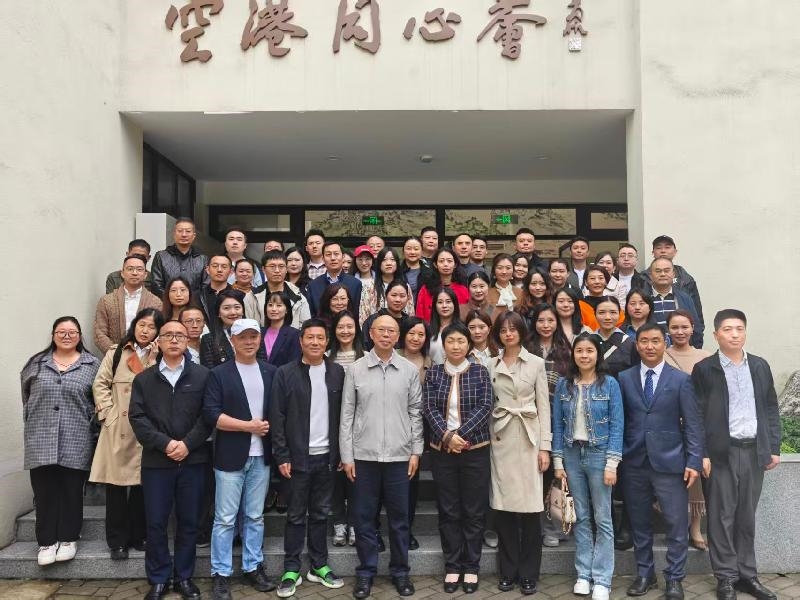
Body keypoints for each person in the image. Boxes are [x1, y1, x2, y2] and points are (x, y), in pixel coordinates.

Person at [692, 310, 782, 600]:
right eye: (727, 329)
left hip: (754, 451)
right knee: (721, 517)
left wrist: (774, 447)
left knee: (746, 516)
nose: (734, 334)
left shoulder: (759, 365)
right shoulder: (705, 369)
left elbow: (770, 407)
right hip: (721, 453)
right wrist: (702, 453)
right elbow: (696, 414)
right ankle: (726, 577)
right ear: (716, 334)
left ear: (745, 332)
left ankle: (747, 576)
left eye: (739, 328)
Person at [340, 315, 425, 599]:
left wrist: (416, 451)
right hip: (364, 457)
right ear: (372, 334)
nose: (386, 335)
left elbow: (415, 413)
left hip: (400, 457)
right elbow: (347, 415)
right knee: (364, 519)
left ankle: (400, 572)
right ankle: (366, 573)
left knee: (400, 520)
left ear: (398, 336)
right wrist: (347, 456)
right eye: (381, 330)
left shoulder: (409, 370)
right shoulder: (356, 369)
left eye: (392, 331)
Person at [618, 323, 703, 600]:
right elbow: (620, 421)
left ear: (664, 343)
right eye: (644, 341)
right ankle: (645, 574)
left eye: (655, 340)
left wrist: (693, 460)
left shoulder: (680, 380)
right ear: (637, 345)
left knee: (676, 524)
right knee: (639, 524)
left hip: (671, 462)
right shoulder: (624, 378)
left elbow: (693, 424)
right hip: (634, 461)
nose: (650, 346)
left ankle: (674, 578)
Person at [129, 320, 211, 600]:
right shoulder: (144, 379)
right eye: (168, 335)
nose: (174, 340)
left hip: (193, 460)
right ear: (159, 342)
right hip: (157, 463)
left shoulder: (202, 376)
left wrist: (187, 444)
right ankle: (159, 579)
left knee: (189, 522)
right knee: (156, 522)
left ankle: (184, 577)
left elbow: (207, 416)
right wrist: (165, 444)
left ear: (187, 341)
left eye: (180, 335)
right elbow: (137, 418)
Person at [270, 319, 346, 597]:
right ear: (301, 341)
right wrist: (282, 454)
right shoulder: (285, 373)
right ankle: (291, 568)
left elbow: (344, 415)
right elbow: (277, 416)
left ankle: (319, 565)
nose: (315, 342)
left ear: (327, 342)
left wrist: (341, 453)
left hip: (327, 458)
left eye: (320, 338)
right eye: (310, 337)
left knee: (320, 513)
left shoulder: (337, 372)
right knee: (295, 515)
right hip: (296, 459)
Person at [203, 319, 277, 599]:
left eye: (253, 337)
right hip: (230, 455)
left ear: (259, 340)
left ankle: (252, 566)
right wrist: (248, 427)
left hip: (262, 456)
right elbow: (212, 414)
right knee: (225, 518)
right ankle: (221, 573)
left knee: (255, 516)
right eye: (242, 337)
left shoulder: (271, 372)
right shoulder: (219, 374)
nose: (249, 342)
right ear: (232, 341)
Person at [21, 317, 101, 566]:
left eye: (72, 332)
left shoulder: (92, 365)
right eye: (61, 332)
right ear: (53, 335)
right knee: (44, 491)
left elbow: (98, 399)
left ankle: (68, 538)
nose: (67, 336)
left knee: (71, 490)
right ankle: (46, 541)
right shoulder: (36, 363)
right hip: (40, 436)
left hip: (77, 435)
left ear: (80, 335)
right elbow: (26, 397)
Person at [552, 333, 624, 600]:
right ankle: (583, 574)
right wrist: (558, 461)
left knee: (602, 518)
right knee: (580, 516)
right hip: (572, 455)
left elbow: (617, 425)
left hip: (599, 455)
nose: (584, 355)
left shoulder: (610, 384)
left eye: (589, 351)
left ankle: (602, 579)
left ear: (598, 354)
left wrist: (612, 463)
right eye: (579, 350)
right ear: (573, 354)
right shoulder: (564, 385)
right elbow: (557, 425)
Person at [422, 322, 493, 594]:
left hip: (474, 450)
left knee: (473, 510)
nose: (455, 346)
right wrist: (446, 437)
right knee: (449, 509)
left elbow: (485, 406)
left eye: (461, 341)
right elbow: (428, 407)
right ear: (443, 345)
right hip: (443, 452)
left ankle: (471, 566)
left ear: (469, 344)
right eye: (450, 341)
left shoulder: (480, 371)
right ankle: (452, 565)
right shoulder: (434, 373)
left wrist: (459, 435)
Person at [90, 308, 163, 561]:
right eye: (142, 325)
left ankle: (139, 535)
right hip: (118, 427)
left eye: (152, 327)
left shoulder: (161, 356)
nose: (145, 330)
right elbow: (100, 383)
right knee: (116, 489)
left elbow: (156, 386)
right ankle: (117, 541)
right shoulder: (117, 352)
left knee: (143, 487)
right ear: (134, 325)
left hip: (146, 430)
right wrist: (107, 414)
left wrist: (153, 358)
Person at [489, 311, 551, 595]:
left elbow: (544, 407)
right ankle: (508, 571)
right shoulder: (490, 364)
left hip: (529, 439)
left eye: (513, 329)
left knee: (530, 511)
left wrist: (545, 447)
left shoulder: (536, 363)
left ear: (521, 332)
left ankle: (529, 573)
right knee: (504, 510)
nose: (508, 334)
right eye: (503, 330)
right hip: (501, 439)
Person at [664, 310, 711, 550]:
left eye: (684, 327)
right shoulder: (661, 355)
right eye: (675, 327)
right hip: (669, 423)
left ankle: (695, 527)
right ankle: (676, 524)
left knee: (697, 475)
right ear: (668, 330)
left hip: (697, 422)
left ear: (693, 328)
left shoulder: (706, 357)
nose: (680, 332)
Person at [327, 311, 366, 548]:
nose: (345, 331)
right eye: (340, 327)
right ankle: (339, 523)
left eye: (350, 326)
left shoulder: (366, 357)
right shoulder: (326, 358)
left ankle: (354, 523)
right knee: (335, 477)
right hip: (331, 423)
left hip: (360, 425)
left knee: (356, 477)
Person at [94, 255, 162, 354]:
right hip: (113, 357)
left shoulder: (156, 302)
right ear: (122, 273)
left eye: (139, 269)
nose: (134, 273)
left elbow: (159, 333)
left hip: (146, 357)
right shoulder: (106, 301)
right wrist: (117, 354)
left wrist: (144, 354)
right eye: (130, 269)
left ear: (145, 275)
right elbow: (99, 333)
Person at [641, 236, 704, 329]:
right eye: (659, 248)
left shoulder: (686, 278)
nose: (663, 251)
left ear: (675, 252)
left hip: (680, 333)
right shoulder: (642, 279)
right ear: (653, 253)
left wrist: (698, 333)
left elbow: (696, 312)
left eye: (667, 247)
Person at [200, 289, 266, 368]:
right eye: (226, 308)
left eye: (237, 307)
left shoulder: (255, 334)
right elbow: (208, 370)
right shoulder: (208, 340)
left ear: (243, 311)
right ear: (219, 313)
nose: (233, 312)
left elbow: (263, 365)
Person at [648, 258, 704, 348]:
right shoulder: (644, 299)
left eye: (667, 270)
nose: (663, 274)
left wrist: (695, 350)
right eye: (658, 271)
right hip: (652, 350)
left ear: (673, 274)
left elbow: (696, 327)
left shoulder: (685, 298)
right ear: (650, 275)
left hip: (681, 352)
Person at [250, 250, 311, 329]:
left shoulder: (298, 296)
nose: (277, 270)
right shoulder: (252, 296)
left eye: (281, 266)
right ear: (263, 269)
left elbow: (306, 327)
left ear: (286, 269)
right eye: (272, 266)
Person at [150, 218, 209, 297]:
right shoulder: (161, 256)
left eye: (188, 231)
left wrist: (191, 300)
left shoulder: (203, 259)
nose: (184, 234)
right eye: (180, 231)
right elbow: (156, 285)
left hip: (195, 303)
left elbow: (206, 286)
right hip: (167, 302)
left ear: (194, 236)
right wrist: (172, 299)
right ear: (174, 234)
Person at [306, 241, 362, 318]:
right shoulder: (313, 285)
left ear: (342, 257)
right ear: (323, 259)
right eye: (328, 254)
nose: (332, 258)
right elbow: (312, 316)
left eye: (336, 254)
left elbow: (356, 314)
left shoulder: (355, 284)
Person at [360, 247, 415, 324]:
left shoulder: (405, 287)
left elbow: (410, 313)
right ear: (379, 263)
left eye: (392, 260)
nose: (389, 263)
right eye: (384, 260)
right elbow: (363, 315)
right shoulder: (369, 287)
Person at [415, 247, 469, 322]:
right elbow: (419, 317)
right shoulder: (426, 290)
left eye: (449, 261)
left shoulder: (463, 290)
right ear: (435, 264)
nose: (445, 264)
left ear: (455, 265)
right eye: (441, 261)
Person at [361, 280, 413, 351]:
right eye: (394, 295)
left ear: (408, 298)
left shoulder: (409, 323)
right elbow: (365, 347)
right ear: (386, 296)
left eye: (402, 296)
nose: (398, 300)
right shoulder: (373, 320)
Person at [594, 296, 638, 377]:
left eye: (613, 312)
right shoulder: (587, 341)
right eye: (602, 312)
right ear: (595, 314)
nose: (607, 317)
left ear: (619, 314)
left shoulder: (631, 344)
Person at [579, 266, 626, 332]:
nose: (597, 282)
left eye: (601, 278)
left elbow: (621, 326)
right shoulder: (579, 306)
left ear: (606, 282)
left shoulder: (613, 305)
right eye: (592, 278)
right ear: (586, 282)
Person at [262, 290, 302, 368]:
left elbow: (294, 363)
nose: (273, 309)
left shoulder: (294, 334)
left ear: (287, 310)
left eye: (279, 305)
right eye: (270, 305)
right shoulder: (259, 332)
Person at [199, 255, 233, 334]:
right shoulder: (198, 295)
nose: (219, 270)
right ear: (207, 270)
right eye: (215, 266)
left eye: (224, 267)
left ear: (231, 272)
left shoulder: (238, 295)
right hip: (204, 338)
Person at [428, 287, 462, 365]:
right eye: (440, 302)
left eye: (448, 302)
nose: (444, 306)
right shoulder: (428, 330)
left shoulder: (462, 329)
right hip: (434, 371)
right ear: (435, 305)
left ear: (454, 304)